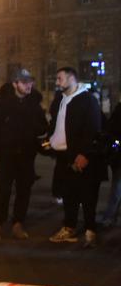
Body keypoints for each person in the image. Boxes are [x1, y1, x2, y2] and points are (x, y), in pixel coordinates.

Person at [0, 69, 48, 240]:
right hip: (7, 153)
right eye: (24, 82)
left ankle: (18, 223)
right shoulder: (3, 104)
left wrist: (36, 130)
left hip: (27, 154)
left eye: (30, 82)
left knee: (24, 190)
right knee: (4, 189)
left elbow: (43, 128)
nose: (29, 85)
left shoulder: (34, 104)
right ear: (15, 84)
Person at [48, 66, 106, 247]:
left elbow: (93, 129)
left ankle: (90, 231)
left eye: (60, 78)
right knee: (69, 195)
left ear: (72, 78)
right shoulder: (60, 99)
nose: (57, 82)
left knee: (87, 196)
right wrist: (50, 140)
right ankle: (69, 227)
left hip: (82, 158)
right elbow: (55, 123)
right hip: (64, 157)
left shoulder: (88, 100)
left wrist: (85, 154)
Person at [101, 98, 121, 227]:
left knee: (117, 188)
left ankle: (109, 217)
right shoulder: (119, 111)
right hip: (119, 157)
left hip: (117, 157)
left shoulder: (118, 110)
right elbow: (114, 133)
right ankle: (109, 217)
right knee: (117, 188)